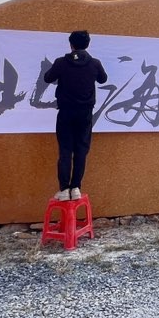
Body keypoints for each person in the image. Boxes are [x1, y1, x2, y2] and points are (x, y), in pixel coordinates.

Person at [43, 30, 108, 201]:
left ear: (70, 44)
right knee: (81, 150)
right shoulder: (95, 63)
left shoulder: (61, 62)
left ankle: (64, 189)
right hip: (85, 113)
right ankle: (76, 187)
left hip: (65, 112)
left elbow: (47, 78)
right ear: (87, 44)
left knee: (65, 150)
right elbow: (103, 79)